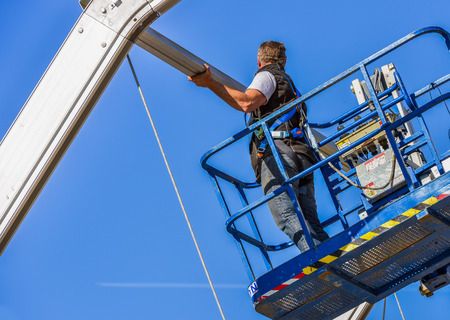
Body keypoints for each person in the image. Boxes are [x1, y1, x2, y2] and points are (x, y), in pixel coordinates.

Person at [188, 41, 328, 252]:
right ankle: (335, 256)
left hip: (280, 155)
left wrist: (211, 83)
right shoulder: (292, 88)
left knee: (286, 216)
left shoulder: (266, 76)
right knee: (310, 219)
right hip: (302, 157)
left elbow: (247, 103)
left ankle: (321, 262)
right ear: (285, 61)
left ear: (259, 60)